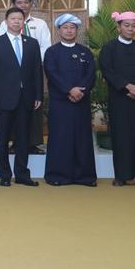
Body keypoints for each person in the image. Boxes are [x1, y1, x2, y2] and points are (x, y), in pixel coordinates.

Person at [99, 11, 135, 188]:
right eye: (126, 25)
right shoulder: (109, 48)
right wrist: (128, 86)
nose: (130, 29)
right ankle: (121, 176)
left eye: (134, 26)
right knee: (121, 136)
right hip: (120, 98)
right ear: (118, 27)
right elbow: (107, 70)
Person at [0, 7, 43, 187]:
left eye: (20, 19)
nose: (16, 21)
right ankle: (4, 175)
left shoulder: (32, 43)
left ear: (23, 22)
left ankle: (22, 174)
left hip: (26, 98)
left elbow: (37, 72)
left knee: (23, 139)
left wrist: (38, 95)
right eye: (13, 19)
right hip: (3, 98)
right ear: (6, 21)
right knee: (2, 139)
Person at [44, 14, 97, 187]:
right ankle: (58, 175)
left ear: (77, 30)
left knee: (82, 138)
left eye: (72, 27)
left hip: (81, 101)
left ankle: (84, 176)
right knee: (61, 138)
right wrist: (69, 90)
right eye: (65, 27)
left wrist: (81, 90)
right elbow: (52, 73)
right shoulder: (52, 52)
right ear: (59, 30)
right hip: (61, 102)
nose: (69, 31)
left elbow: (91, 75)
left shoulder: (85, 51)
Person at [0, 0, 51, 154]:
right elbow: (2, 46)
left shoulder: (40, 23)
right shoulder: (5, 24)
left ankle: (33, 142)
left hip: (34, 70)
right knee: (14, 106)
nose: (23, 5)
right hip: (12, 74)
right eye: (19, 3)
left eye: (26, 2)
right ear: (14, 5)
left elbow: (45, 46)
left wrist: (32, 61)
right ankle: (15, 142)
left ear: (30, 4)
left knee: (34, 105)